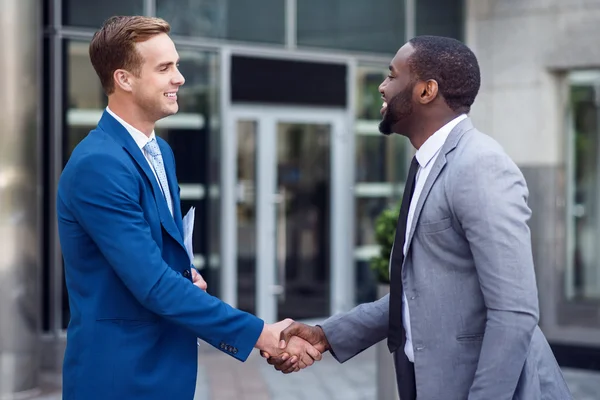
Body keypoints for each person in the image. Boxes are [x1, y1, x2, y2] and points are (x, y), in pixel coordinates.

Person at [264, 36, 573, 400]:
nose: (382, 87)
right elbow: (421, 292)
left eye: (392, 76)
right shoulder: (428, 164)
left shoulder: (480, 165)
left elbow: (515, 311)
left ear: (426, 91)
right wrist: (328, 334)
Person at [56, 16, 319, 400]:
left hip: (165, 369)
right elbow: (152, 285)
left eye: (176, 65)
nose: (179, 77)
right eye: (164, 68)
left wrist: (185, 273)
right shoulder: (98, 163)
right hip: (121, 377)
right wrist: (262, 334)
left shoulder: (160, 151)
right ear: (123, 79)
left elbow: (152, 256)